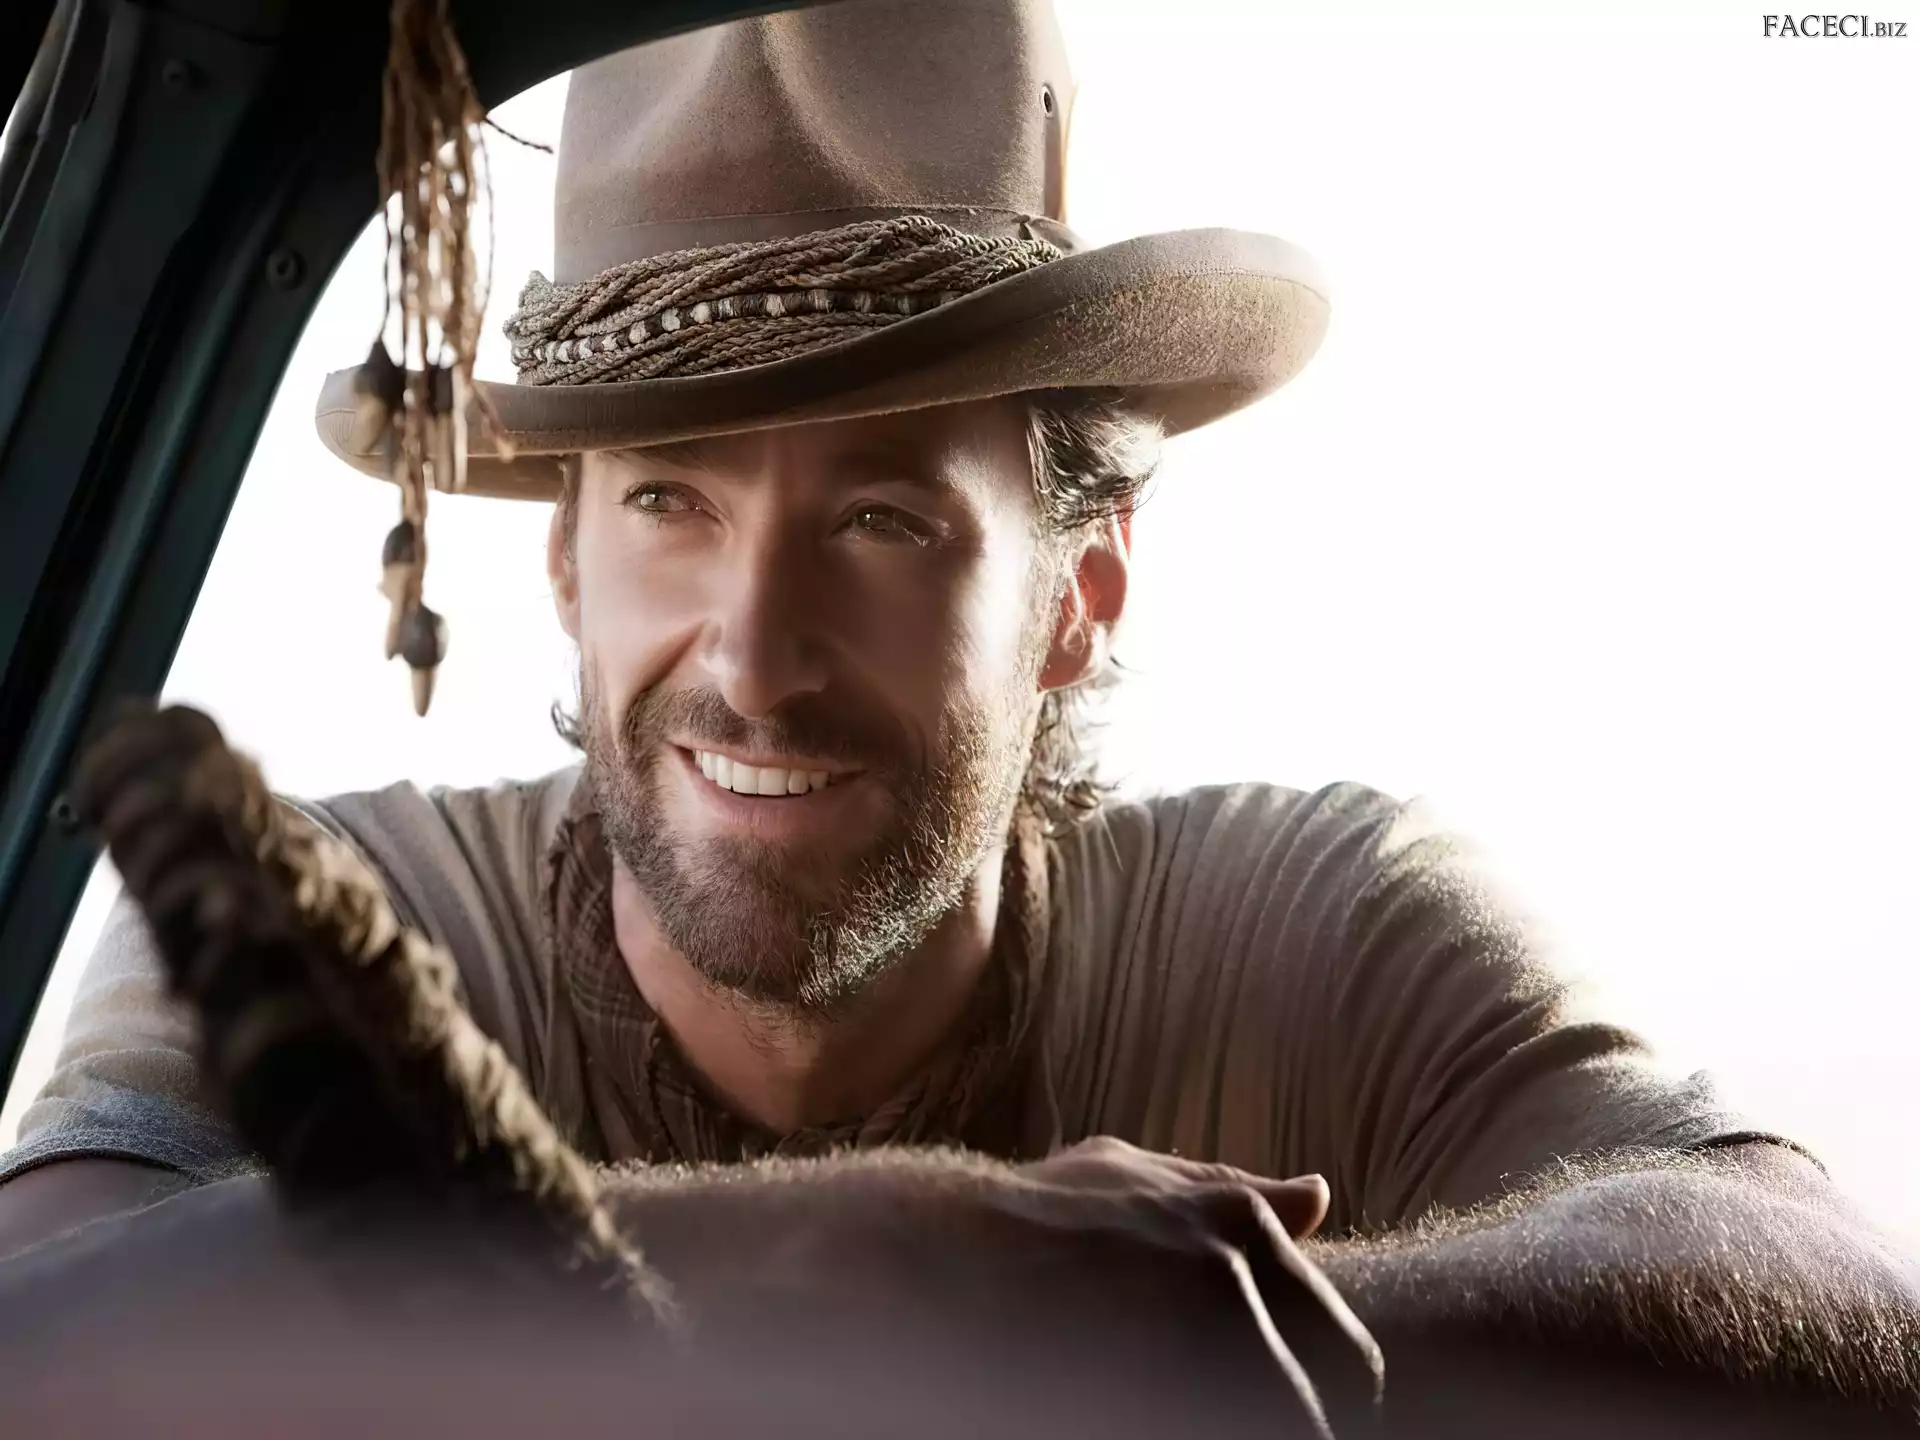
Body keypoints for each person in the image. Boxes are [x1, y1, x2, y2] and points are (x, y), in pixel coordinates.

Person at [0, 0, 1914, 1433]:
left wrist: (1222, 1331)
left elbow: (1840, 1301)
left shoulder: (1312, 920)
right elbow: (33, 1334)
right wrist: (879, 1257)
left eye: (886, 518)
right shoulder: (333, 912)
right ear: (567, 562)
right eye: (670, 502)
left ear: (1079, 593)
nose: (757, 655)